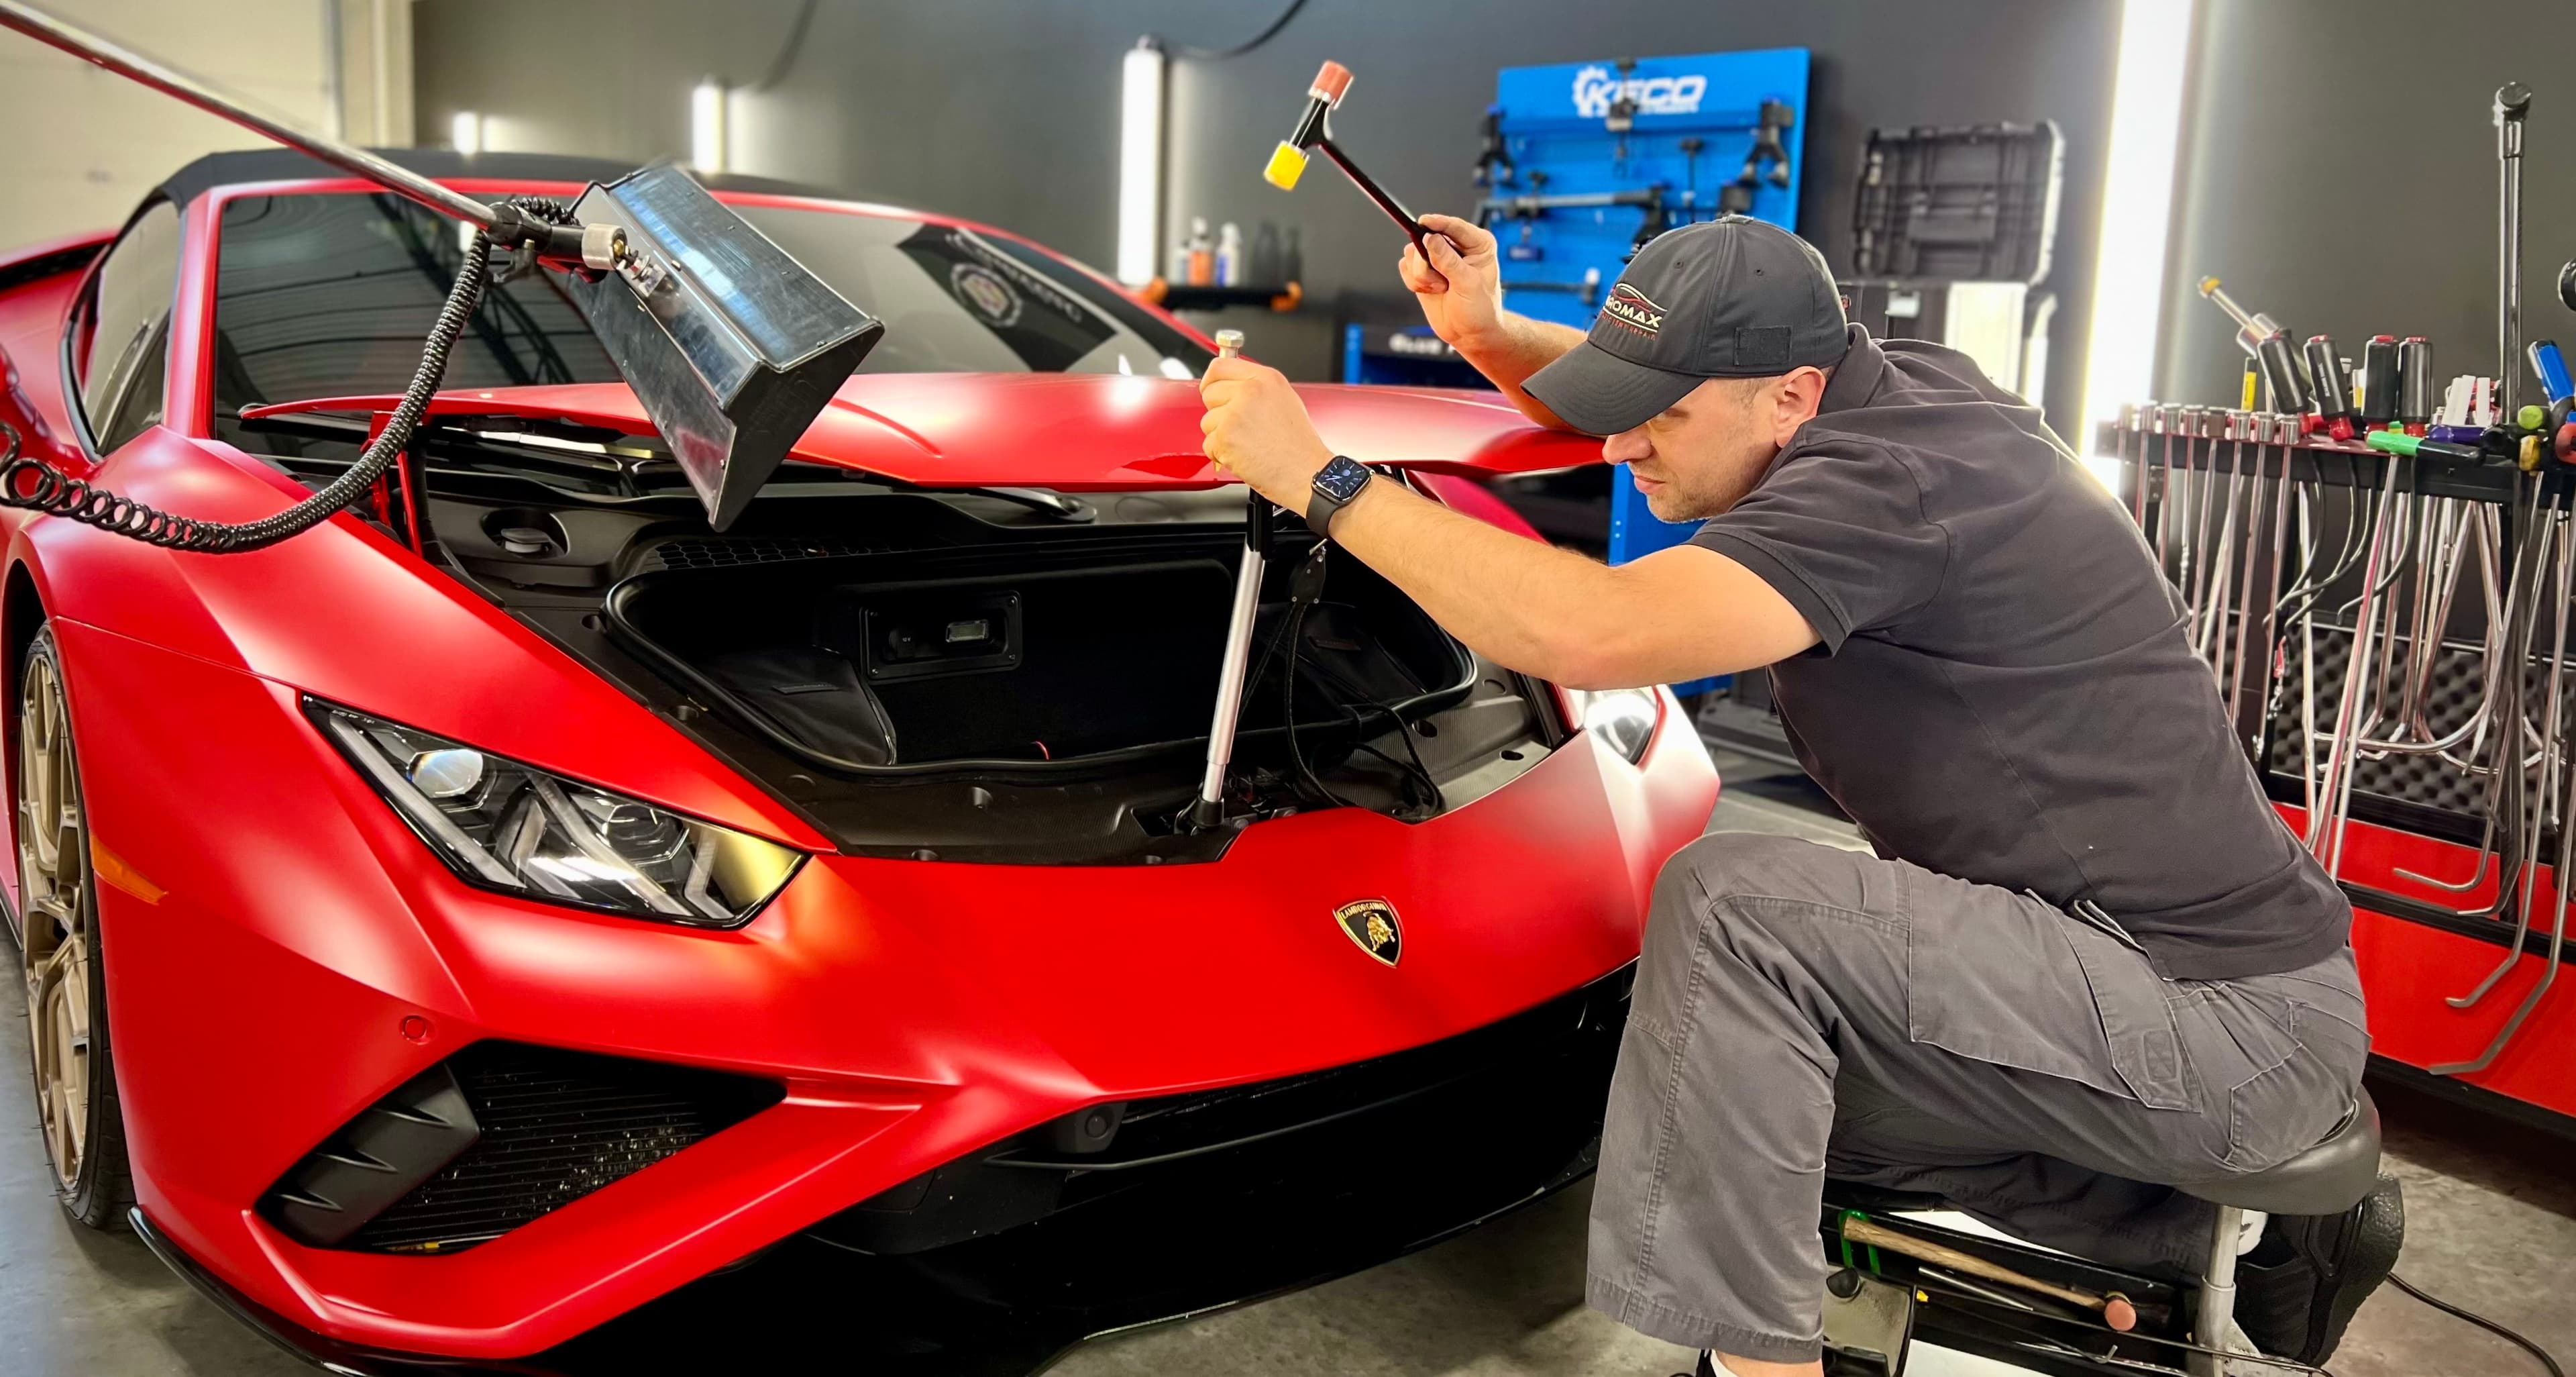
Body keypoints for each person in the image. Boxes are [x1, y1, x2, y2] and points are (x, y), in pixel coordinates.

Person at [1195, 212, 2401, 1377]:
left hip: (2217, 1019)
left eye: (1655, 416)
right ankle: (2208, 1241)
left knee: (1730, 908)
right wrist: (1493, 335)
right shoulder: (1886, 385)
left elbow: (1587, 630)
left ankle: (1758, 1371)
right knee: (1713, 1106)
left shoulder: (1881, 488)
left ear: (1792, 399)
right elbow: (1663, 400)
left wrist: (1322, 478)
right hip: (2188, 987)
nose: (1619, 446)